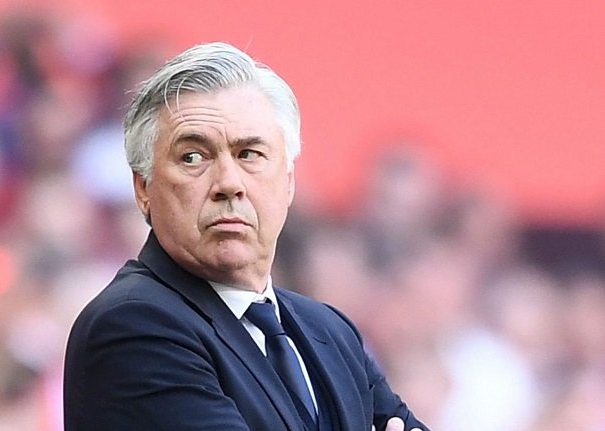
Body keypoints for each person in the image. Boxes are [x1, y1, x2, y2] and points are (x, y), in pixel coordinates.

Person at [63, 41, 429, 431]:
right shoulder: (134, 325)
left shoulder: (330, 331)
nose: (228, 183)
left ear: (288, 181)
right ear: (143, 188)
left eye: (249, 154)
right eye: (193, 157)